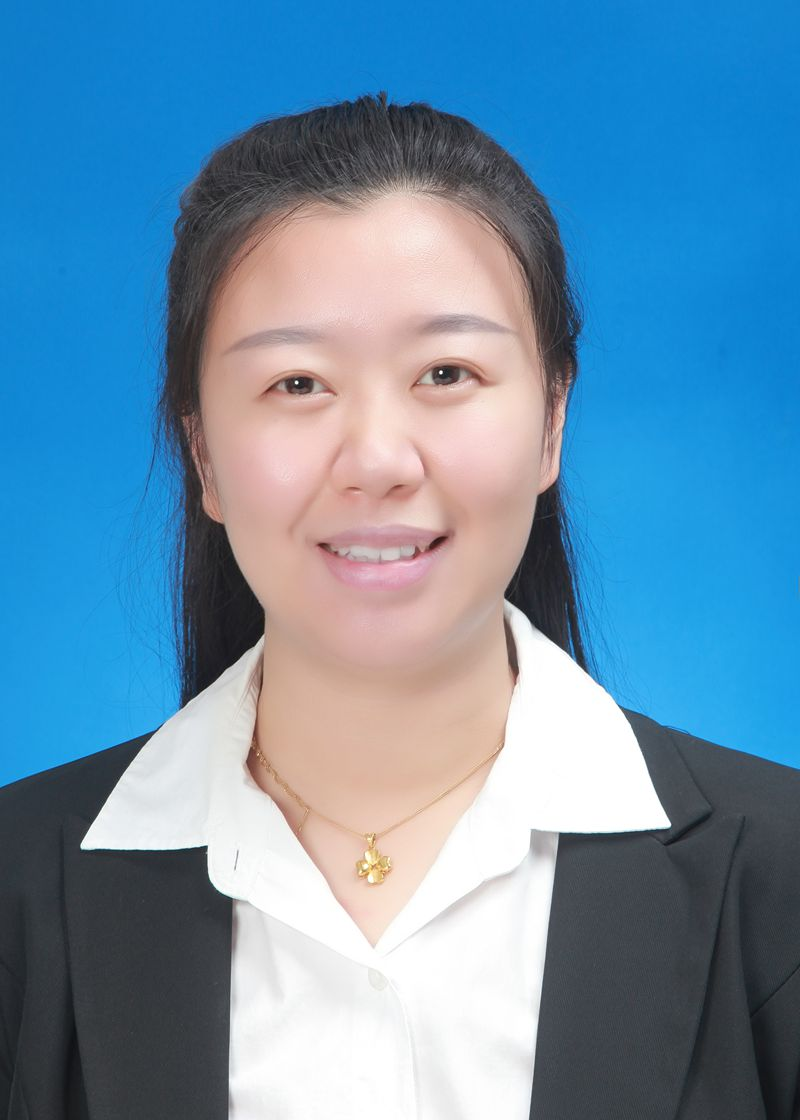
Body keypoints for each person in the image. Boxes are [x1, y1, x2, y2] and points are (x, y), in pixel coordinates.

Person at [1, 92, 798, 1120]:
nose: (377, 459)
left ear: (551, 420)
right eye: (297, 383)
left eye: (445, 372)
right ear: (202, 451)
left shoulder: (778, 882)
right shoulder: (19, 897)